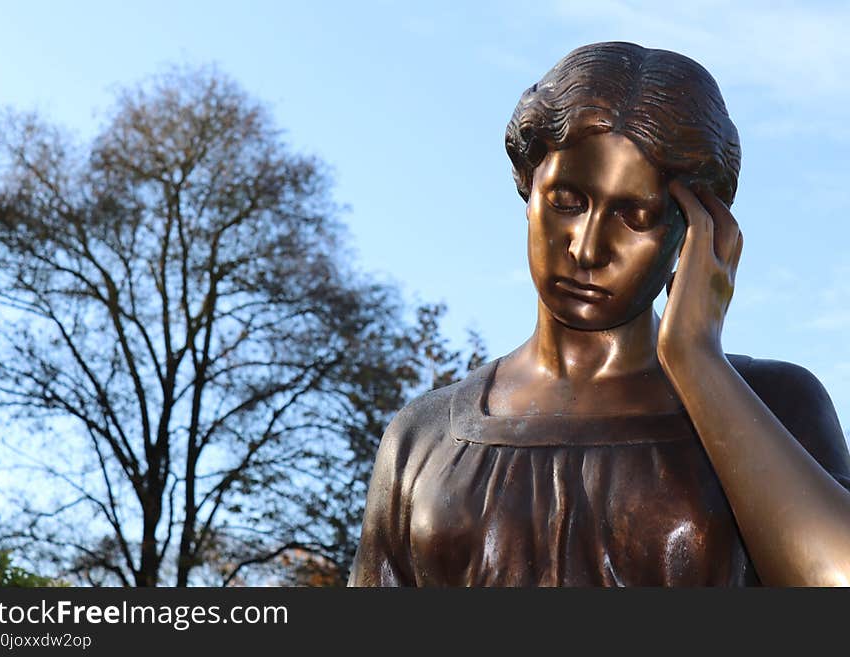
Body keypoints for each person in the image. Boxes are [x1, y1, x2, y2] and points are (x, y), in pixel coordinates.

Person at [348, 42, 850, 586]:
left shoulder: (772, 407)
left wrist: (696, 360)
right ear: (527, 187)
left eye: (634, 215)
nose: (588, 249)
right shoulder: (423, 438)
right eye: (566, 201)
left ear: (695, 229)